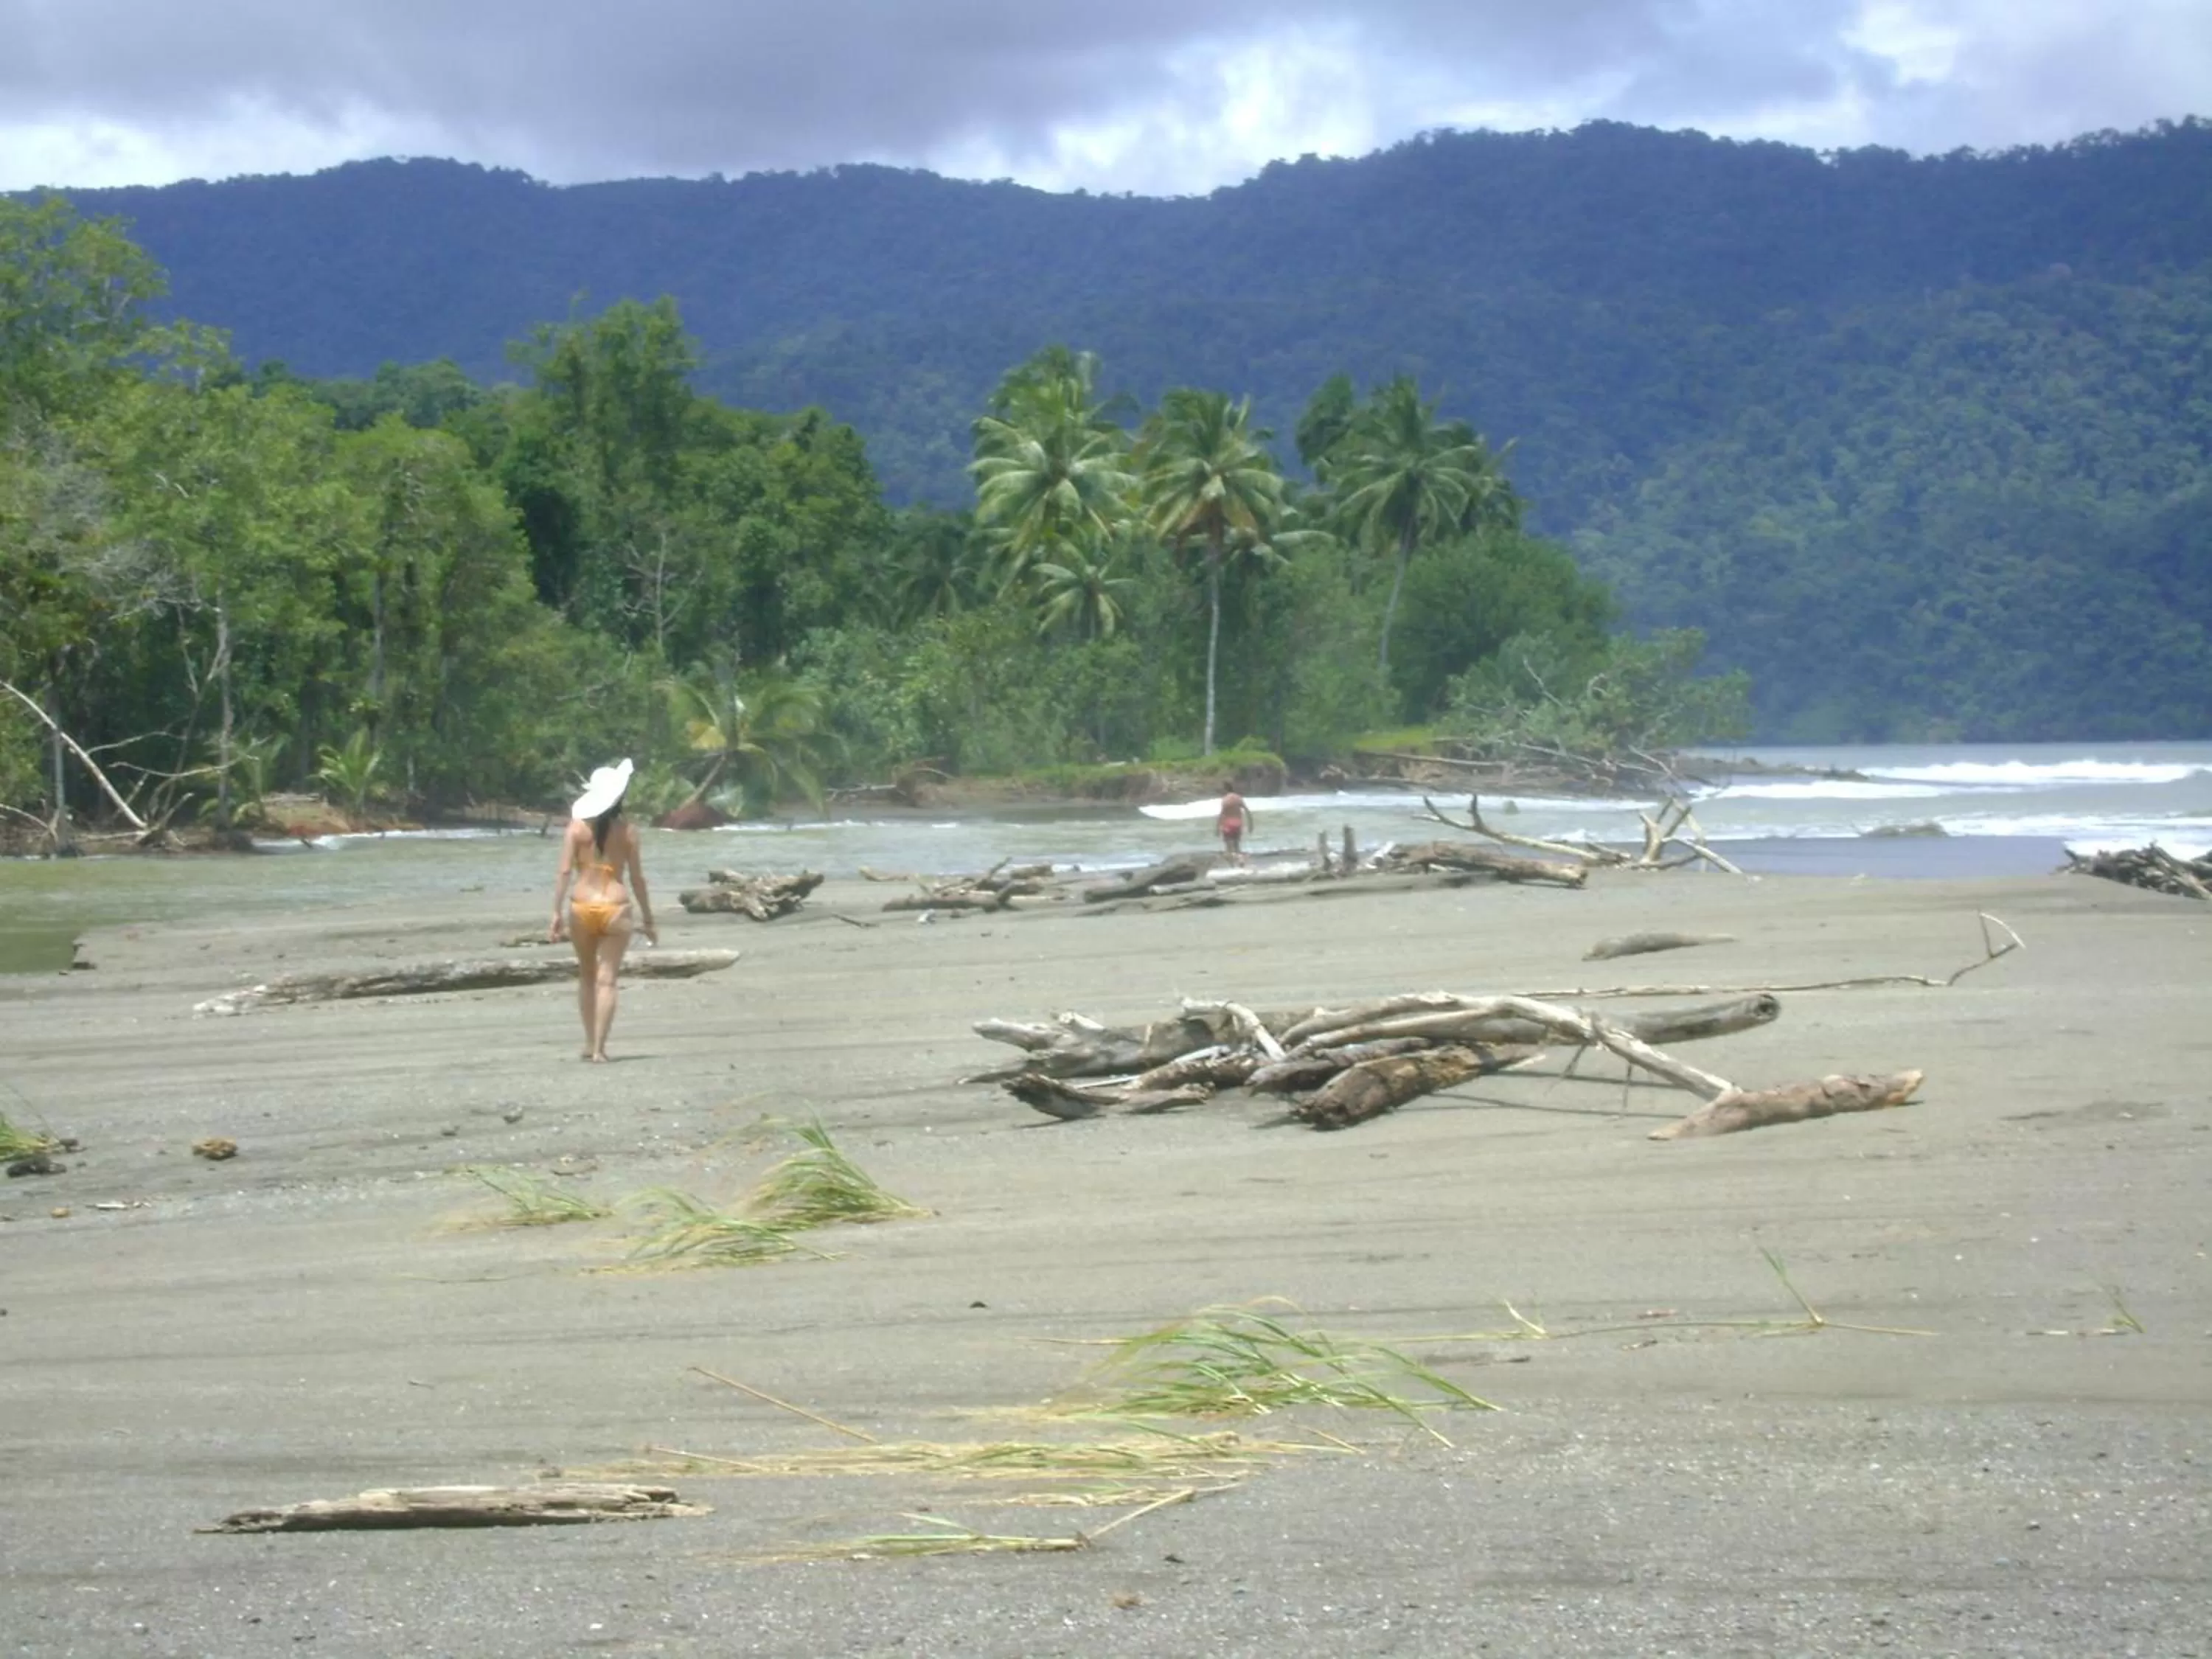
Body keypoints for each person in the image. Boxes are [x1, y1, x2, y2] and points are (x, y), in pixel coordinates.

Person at [548, 758, 657, 1062]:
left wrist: (555, 912)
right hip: (616, 907)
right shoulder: (629, 832)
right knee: (607, 979)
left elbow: (564, 873)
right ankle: (599, 1049)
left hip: (581, 906)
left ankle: (587, 1042)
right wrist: (648, 918)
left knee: (586, 976)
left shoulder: (576, 829)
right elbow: (637, 879)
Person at [1217, 779, 1252, 867]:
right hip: (1238, 825)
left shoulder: (1225, 800)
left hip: (1228, 826)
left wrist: (1217, 827)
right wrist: (1251, 824)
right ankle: (1240, 864)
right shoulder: (1238, 798)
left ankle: (1234, 866)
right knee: (1237, 847)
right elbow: (1247, 811)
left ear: (1225, 789)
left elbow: (1222, 814)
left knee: (1229, 850)